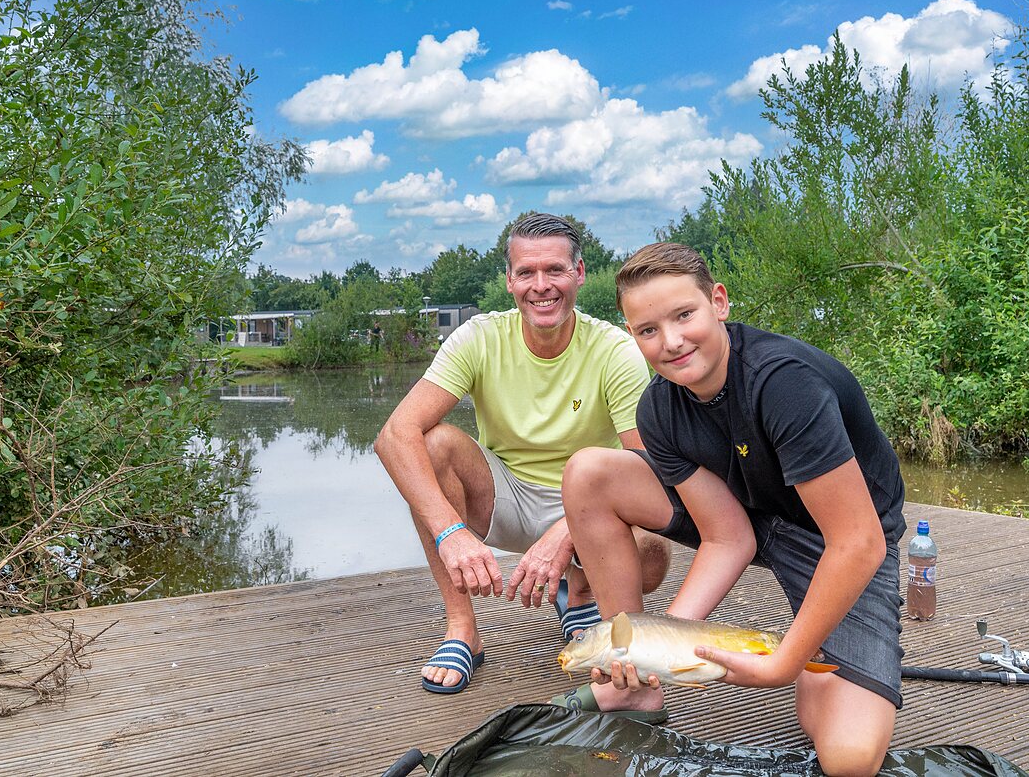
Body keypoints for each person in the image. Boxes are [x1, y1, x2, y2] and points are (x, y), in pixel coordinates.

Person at [558, 242, 906, 777]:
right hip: (751, 515)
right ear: (632, 335)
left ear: (718, 302)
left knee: (849, 759)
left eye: (684, 315)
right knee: (590, 473)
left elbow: (859, 541)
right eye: (648, 330)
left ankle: (819, 649)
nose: (671, 341)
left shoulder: (782, 382)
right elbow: (729, 537)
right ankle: (634, 687)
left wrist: (787, 663)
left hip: (841, 541)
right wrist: (657, 646)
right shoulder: (657, 408)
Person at [374, 213, 670, 695]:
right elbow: (393, 434)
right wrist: (450, 532)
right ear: (509, 281)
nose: (541, 286)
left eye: (554, 270)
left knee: (653, 555)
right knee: (429, 445)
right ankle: (462, 630)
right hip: (504, 495)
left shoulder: (615, 350)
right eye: (527, 273)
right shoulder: (480, 337)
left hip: (589, 502)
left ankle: (579, 596)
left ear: (578, 273)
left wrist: (565, 534)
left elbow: (649, 467)